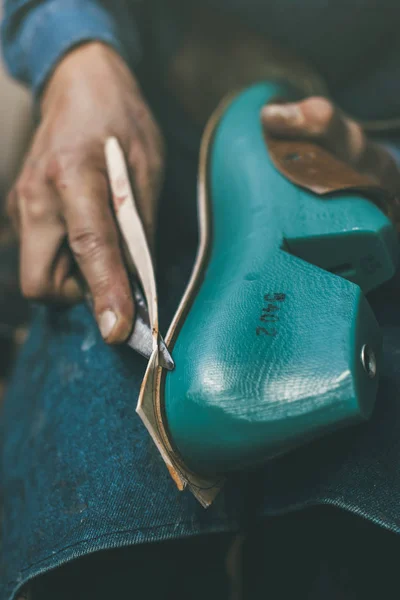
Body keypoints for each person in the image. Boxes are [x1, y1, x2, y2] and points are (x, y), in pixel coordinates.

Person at [2, 1, 400, 598]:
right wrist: (76, 57)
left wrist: (387, 164)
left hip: (364, 137)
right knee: (98, 541)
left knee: (354, 537)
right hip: (148, 103)